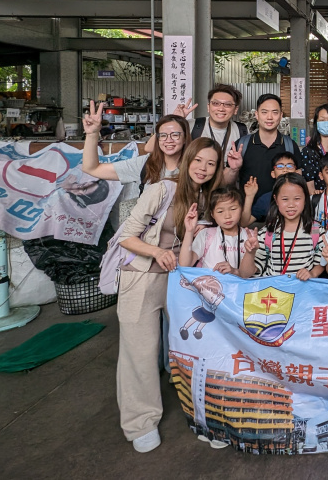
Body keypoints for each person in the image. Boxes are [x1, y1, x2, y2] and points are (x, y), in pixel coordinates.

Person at [115, 137, 223, 453]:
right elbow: (126, 236)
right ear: (187, 159)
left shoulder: (206, 197)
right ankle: (140, 422)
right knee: (140, 351)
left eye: (211, 163)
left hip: (181, 280)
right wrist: (156, 252)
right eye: (198, 160)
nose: (203, 168)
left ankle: (206, 414)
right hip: (142, 277)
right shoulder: (161, 189)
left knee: (193, 346)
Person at [82, 103, 188, 189]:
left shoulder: (193, 165)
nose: (169, 140)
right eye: (163, 135)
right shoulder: (146, 164)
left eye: (175, 135)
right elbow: (92, 168)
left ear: (185, 138)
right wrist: (92, 134)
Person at [252, 173, 324, 279]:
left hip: (302, 288)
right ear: (276, 199)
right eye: (285, 199)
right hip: (273, 289)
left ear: (305, 198)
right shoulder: (267, 232)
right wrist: (249, 253)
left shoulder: (316, 230)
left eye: (297, 198)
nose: (291, 205)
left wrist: (312, 273)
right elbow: (250, 272)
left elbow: (321, 262)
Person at [179, 186, 258, 278]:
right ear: (212, 214)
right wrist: (189, 231)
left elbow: (250, 272)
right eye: (220, 211)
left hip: (239, 287)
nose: (227, 216)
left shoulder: (251, 237)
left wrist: (235, 270)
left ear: (242, 209)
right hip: (209, 286)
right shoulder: (206, 235)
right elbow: (185, 264)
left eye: (233, 209)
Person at [235, 94, 303, 198]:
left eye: (275, 112)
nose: (269, 117)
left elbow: (298, 178)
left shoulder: (290, 145)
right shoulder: (242, 145)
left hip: (282, 207)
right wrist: (233, 169)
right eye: (264, 112)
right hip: (248, 207)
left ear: (281, 115)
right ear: (257, 115)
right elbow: (228, 181)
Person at [171, 85, 248, 168]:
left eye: (228, 104)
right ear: (208, 107)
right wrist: (176, 121)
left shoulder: (242, 130)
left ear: (235, 109)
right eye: (216, 103)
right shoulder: (191, 126)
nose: (221, 109)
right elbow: (165, 145)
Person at [241, 151, 298, 225]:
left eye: (289, 166)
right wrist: (249, 196)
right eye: (280, 166)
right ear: (273, 174)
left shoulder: (304, 195)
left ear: (296, 172)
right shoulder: (266, 199)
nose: (285, 169)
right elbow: (244, 223)